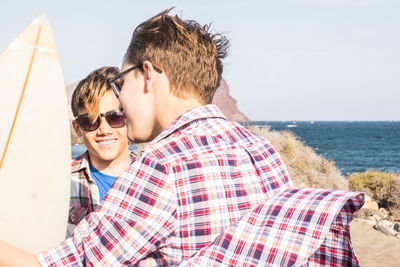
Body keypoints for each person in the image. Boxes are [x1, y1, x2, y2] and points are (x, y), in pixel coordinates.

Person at [0, 8, 363, 266]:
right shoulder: (260, 150)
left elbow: (64, 264)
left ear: (147, 74)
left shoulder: (161, 166)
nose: (121, 103)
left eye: (121, 83)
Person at [67, 66, 132, 237]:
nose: (104, 129)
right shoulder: (62, 182)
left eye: (114, 117)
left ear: (129, 117)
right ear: (77, 128)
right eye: (90, 121)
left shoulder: (155, 177)